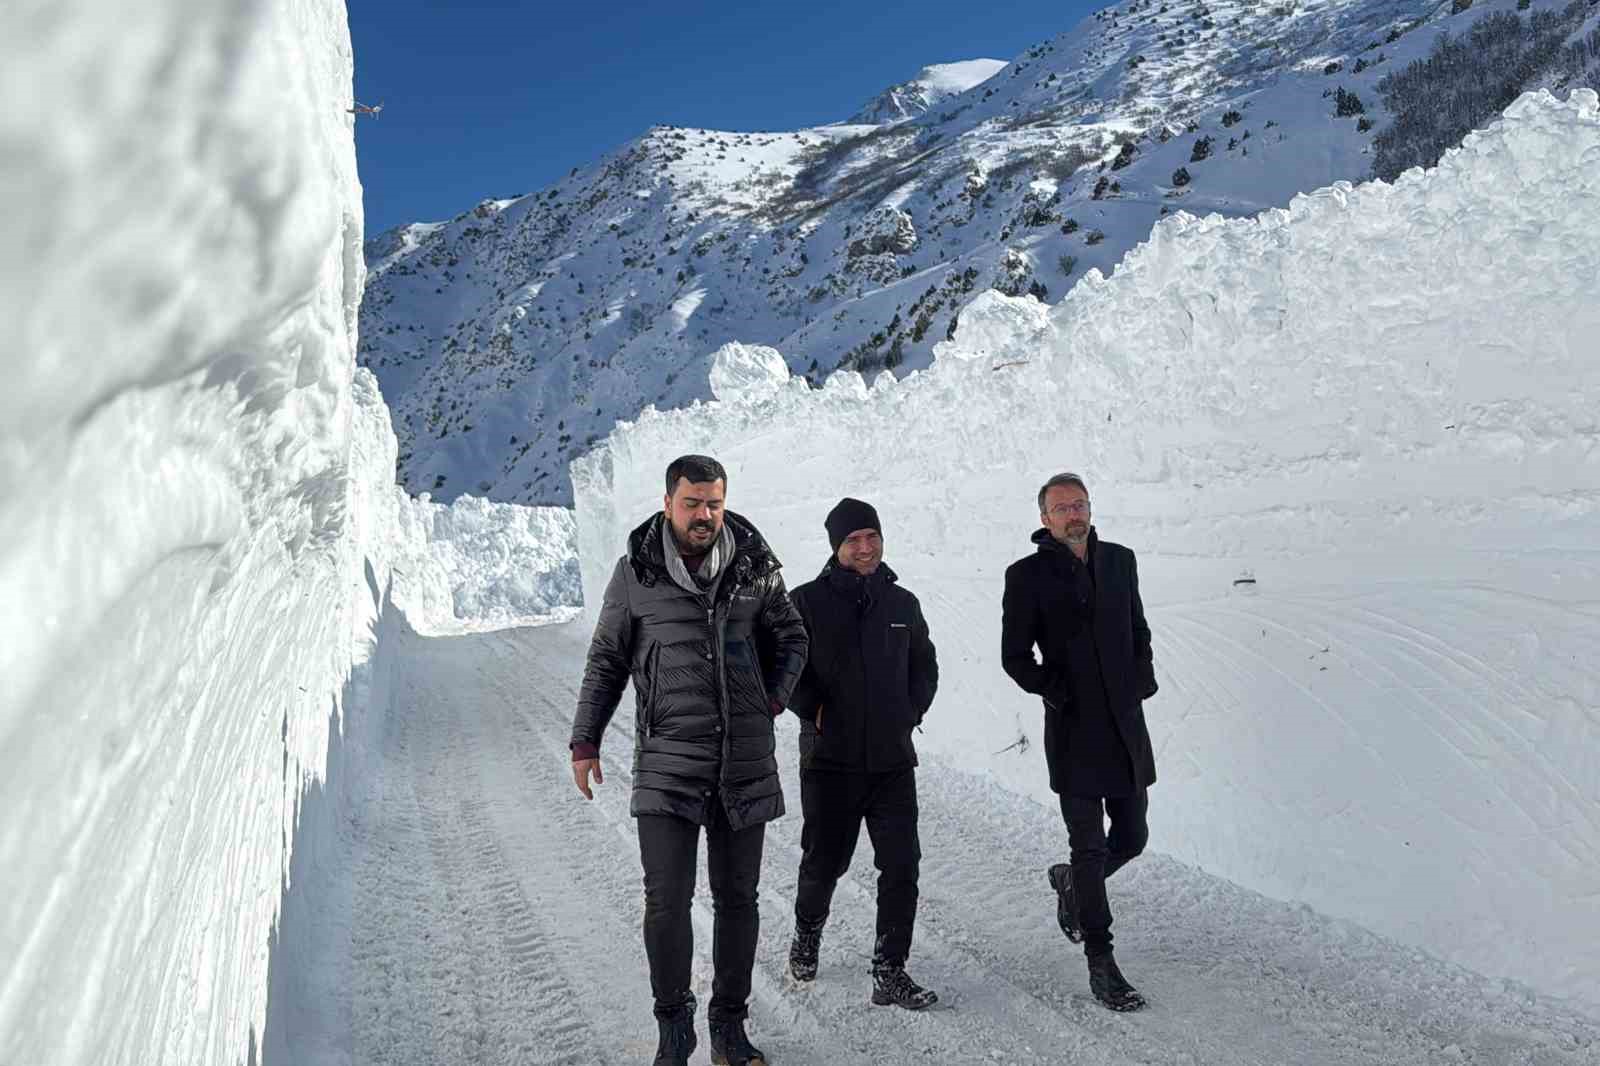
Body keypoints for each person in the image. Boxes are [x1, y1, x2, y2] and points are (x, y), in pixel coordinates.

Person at [570, 454, 808, 1066]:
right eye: (692, 502)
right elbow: (607, 661)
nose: (704, 515)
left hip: (743, 761)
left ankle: (729, 1027)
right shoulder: (636, 574)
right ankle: (674, 1030)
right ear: (668, 501)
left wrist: (771, 698)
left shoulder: (756, 567)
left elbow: (793, 637)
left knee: (739, 900)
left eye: (714, 503)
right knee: (666, 900)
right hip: (668, 760)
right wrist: (585, 740)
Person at [1000, 472, 1158, 1012]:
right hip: (1072, 731)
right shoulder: (1026, 576)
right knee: (1088, 845)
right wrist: (1057, 690)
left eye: (1080, 504)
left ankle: (1072, 883)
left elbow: (1139, 629)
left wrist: (1141, 680)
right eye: (1062, 508)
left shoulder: (1120, 561)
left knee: (1132, 836)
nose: (1074, 515)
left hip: (1124, 725)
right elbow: (1015, 657)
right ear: (1044, 518)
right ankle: (1101, 960)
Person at [784, 498, 940, 1010]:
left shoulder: (902, 604)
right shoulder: (804, 602)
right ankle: (808, 933)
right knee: (825, 862)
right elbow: (781, 666)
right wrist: (815, 711)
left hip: (893, 762)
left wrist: (909, 713)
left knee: (902, 866)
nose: (865, 547)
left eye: (872, 536)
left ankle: (889, 969)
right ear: (836, 547)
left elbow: (925, 665)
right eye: (854, 539)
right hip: (831, 762)